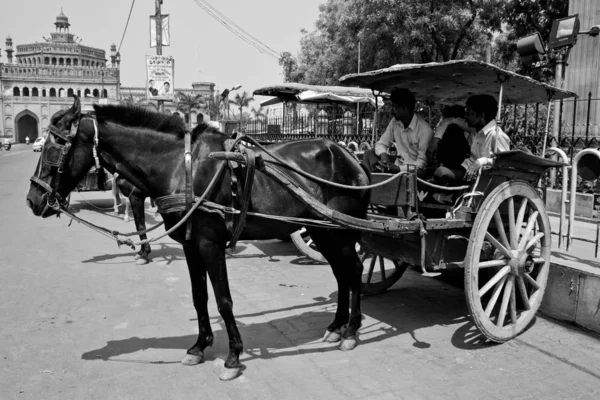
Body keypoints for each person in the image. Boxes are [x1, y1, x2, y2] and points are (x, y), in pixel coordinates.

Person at [433, 94, 510, 184]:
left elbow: (505, 163)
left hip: (483, 178)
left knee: (440, 172)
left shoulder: (496, 135)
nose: (465, 116)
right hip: (467, 169)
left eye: (469, 113)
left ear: (481, 115)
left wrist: (481, 162)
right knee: (437, 171)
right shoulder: (477, 132)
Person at [363, 88, 433, 176]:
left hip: (414, 173)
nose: (391, 110)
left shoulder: (425, 130)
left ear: (404, 107)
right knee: (368, 154)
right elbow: (381, 144)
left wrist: (399, 169)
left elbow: (422, 164)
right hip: (397, 165)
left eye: (394, 106)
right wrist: (384, 156)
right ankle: (372, 182)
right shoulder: (395, 122)